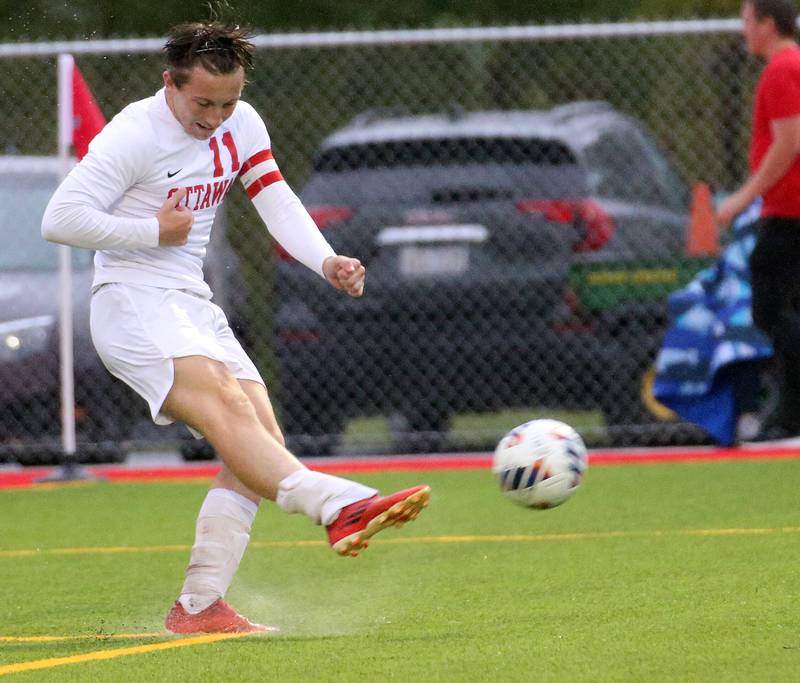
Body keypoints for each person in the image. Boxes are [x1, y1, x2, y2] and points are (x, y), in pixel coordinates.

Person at [41, 20, 430, 634]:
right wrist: (152, 232)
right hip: (131, 301)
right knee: (229, 411)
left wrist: (325, 258)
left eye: (228, 101)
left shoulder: (242, 121)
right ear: (170, 83)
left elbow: (274, 198)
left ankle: (199, 606)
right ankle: (338, 504)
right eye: (203, 103)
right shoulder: (134, 132)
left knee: (258, 440)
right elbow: (60, 218)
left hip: (190, 301)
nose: (217, 116)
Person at [716, 0, 800, 441]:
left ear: (768, 24)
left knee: (768, 308)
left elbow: (789, 143)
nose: (743, 29)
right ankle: (790, 413)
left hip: (790, 214)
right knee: (786, 308)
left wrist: (741, 199)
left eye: (747, 20)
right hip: (786, 211)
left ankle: (791, 411)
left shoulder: (784, 69)